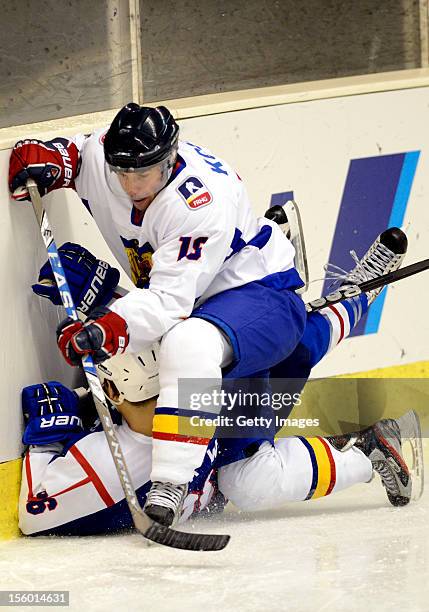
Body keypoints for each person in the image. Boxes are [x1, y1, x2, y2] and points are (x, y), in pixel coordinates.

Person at [8, 103, 409, 527]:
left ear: (169, 159)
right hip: (208, 314)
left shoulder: (197, 202)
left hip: (253, 293)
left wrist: (107, 321)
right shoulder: (116, 162)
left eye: (141, 173)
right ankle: (369, 448)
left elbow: (166, 304)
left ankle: (171, 483)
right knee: (250, 479)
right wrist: (50, 159)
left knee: (197, 342)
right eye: (121, 172)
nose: (129, 184)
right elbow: (76, 154)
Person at [18, 230, 422, 537]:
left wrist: (104, 292)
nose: (172, 407)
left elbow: (166, 317)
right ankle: (368, 451)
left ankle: (323, 285)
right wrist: (48, 440)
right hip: (229, 442)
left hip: (225, 393)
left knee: (289, 343)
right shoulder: (113, 461)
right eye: (154, 398)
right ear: (114, 393)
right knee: (249, 481)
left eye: (168, 392)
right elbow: (35, 513)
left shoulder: (178, 374)